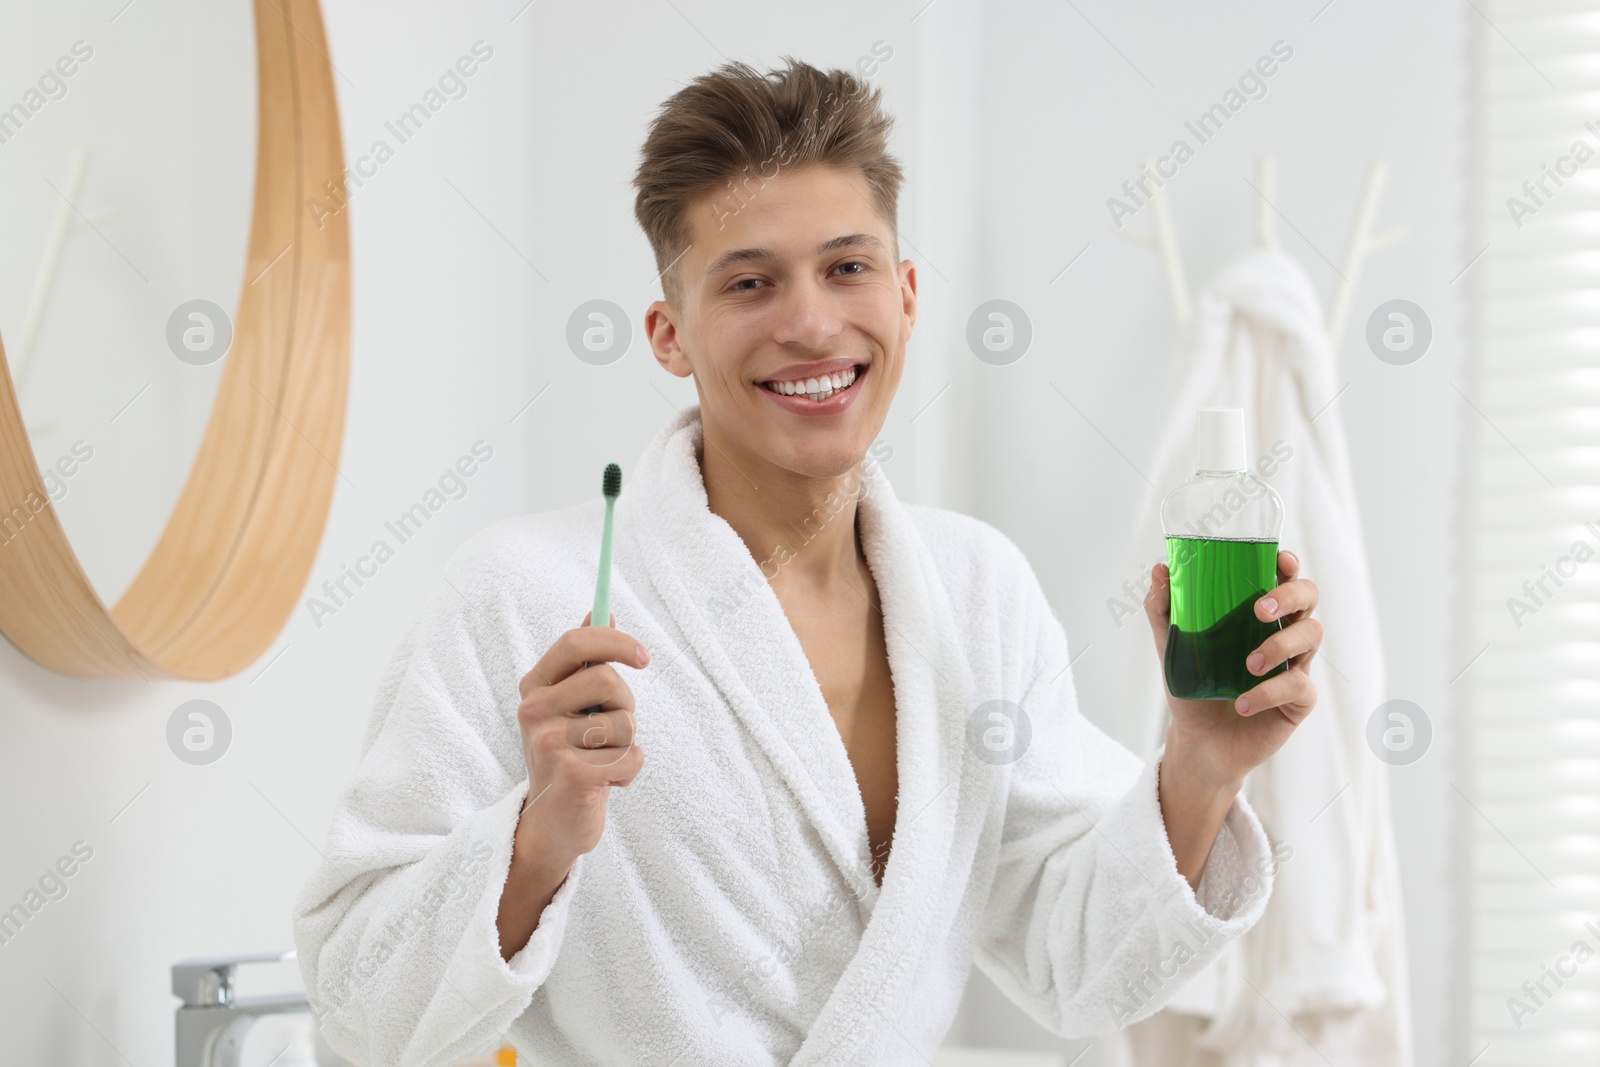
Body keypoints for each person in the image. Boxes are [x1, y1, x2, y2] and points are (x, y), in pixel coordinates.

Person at [293, 56, 1322, 1066]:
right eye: (748, 282)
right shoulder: (522, 595)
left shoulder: (977, 588)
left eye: (847, 267)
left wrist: (1201, 765)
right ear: (669, 333)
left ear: (907, 294)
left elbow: (1079, 966)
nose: (811, 322)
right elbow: (357, 1010)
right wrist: (537, 840)